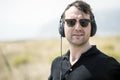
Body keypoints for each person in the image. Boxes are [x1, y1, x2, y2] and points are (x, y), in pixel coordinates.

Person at [48, 0, 120, 80]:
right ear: (62, 26)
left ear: (92, 27)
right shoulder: (56, 64)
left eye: (84, 22)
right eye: (71, 22)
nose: (78, 28)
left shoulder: (108, 65)